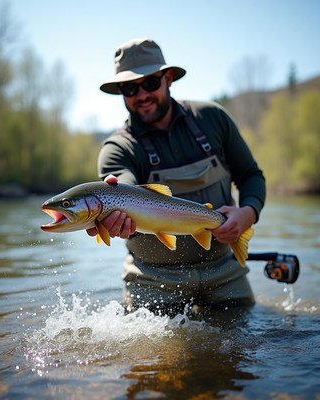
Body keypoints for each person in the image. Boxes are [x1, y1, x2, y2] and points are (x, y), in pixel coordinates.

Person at [87, 38, 266, 315]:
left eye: (150, 83)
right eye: (131, 88)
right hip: (153, 278)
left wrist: (248, 214)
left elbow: (251, 175)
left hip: (223, 270)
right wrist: (113, 210)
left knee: (242, 350)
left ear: (168, 78)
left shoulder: (213, 118)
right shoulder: (117, 149)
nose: (142, 95)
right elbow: (123, 187)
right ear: (121, 92)